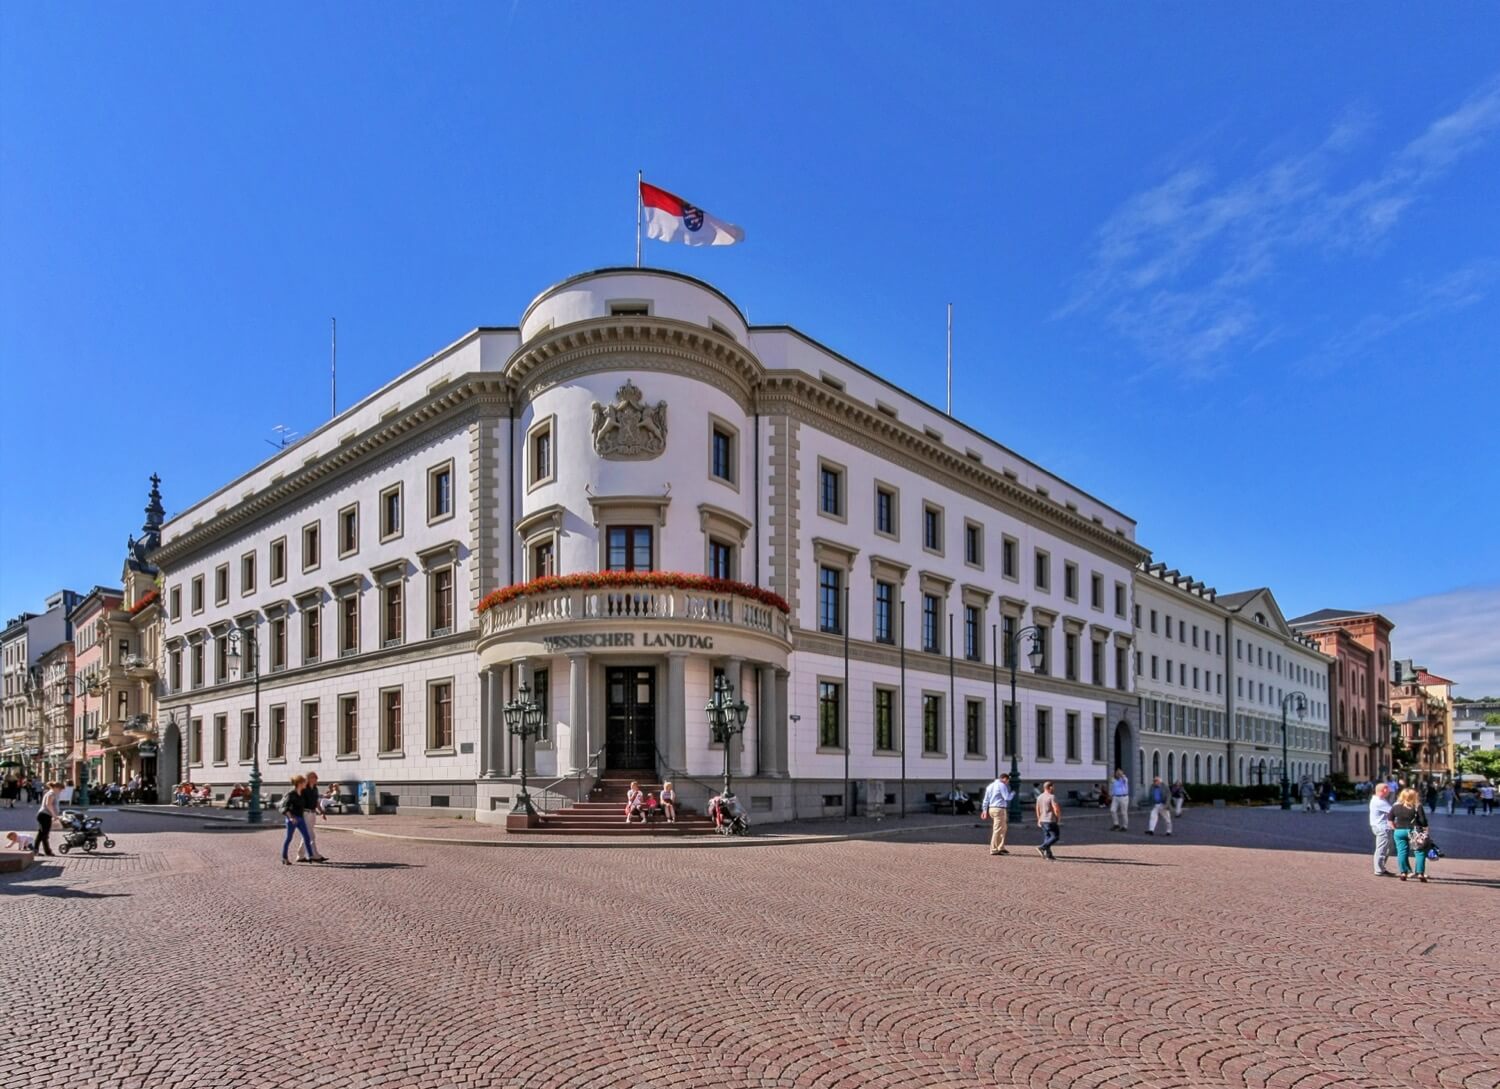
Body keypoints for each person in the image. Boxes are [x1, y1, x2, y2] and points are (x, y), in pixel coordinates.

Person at [1388, 787, 1429, 883]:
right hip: (1414, 831)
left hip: (1399, 831)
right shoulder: (1417, 806)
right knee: (1419, 851)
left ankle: (1403, 872)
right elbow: (1423, 821)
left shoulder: (1396, 806)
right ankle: (1420, 873)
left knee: (1402, 852)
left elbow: (1390, 820)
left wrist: (1395, 829)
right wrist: (1426, 831)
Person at [279, 775, 317, 866]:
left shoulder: (302, 793)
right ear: (299, 783)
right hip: (292, 819)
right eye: (304, 782)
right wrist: (291, 817)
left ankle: (310, 856)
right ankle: (284, 858)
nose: (305, 784)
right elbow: (284, 807)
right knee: (289, 838)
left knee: (307, 836)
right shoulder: (291, 794)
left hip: (300, 818)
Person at [294, 772, 329, 862]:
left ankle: (300, 855)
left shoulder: (315, 789)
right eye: (314, 777)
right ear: (309, 779)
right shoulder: (304, 789)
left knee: (307, 835)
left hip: (313, 813)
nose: (317, 779)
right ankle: (314, 855)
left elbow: (316, 801)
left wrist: (321, 812)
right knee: (311, 835)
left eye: (316, 777)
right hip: (305, 813)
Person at [979, 773, 1014, 856]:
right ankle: (994, 849)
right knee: (998, 829)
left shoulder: (990, 786)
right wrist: (1013, 793)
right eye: (1008, 781)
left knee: (1003, 828)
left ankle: (1000, 847)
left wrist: (984, 810)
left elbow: (986, 799)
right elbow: (1007, 797)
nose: (1007, 783)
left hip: (992, 808)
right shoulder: (1002, 785)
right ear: (1005, 779)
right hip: (999, 809)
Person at [1368, 783, 1393, 877]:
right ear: (1384, 790)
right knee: (1382, 848)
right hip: (1382, 828)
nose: (1390, 791)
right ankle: (1378, 869)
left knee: (1387, 848)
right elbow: (1393, 811)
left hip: (1380, 826)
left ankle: (1381, 867)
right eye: (1388, 789)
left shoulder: (1379, 799)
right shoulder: (1379, 802)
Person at [1035, 780, 1061, 861]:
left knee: (1047, 837)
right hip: (1050, 819)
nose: (1054, 788)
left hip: (1043, 820)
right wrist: (1058, 817)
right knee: (1055, 837)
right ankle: (1042, 847)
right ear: (1050, 787)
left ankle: (1048, 855)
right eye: (1053, 786)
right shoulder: (1052, 796)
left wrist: (1038, 819)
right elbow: (1056, 808)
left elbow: (1037, 809)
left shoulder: (1039, 797)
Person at [36, 781, 61, 857]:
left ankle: (35, 850)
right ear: (56, 788)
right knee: (45, 835)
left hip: (44, 815)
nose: (60, 791)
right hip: (45, 815)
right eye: (60, 789)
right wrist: (54, 815)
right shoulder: (51, 794)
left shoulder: (51, 793)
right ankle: (48, 851)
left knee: (41, 834)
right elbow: (48, 805)